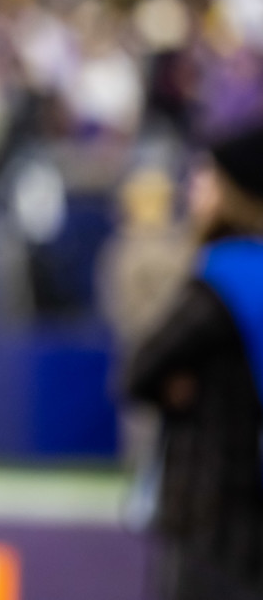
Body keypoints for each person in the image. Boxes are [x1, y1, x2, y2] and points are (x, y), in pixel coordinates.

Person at [125, 122, 263, 600]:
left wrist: (172, 384)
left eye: (205, 179)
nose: (192, 190)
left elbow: (140, 368)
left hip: (213, 512)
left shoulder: (220, 280)